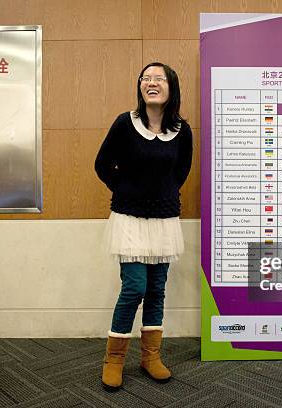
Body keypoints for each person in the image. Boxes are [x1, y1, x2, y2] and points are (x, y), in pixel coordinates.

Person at [94, 62, 193, 391]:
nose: (151, 83)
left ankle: (151, 357)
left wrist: (160, 194)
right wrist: (125, 190)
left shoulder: (182, 130)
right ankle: (114, 360)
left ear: (171, 87)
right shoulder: (126, 123)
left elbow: (180, 172)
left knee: (157, 290)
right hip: (130, 218)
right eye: (146, 78)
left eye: (159, 78)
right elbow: (102, 164)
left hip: (164, 219)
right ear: (139, 86)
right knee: (134, 287)